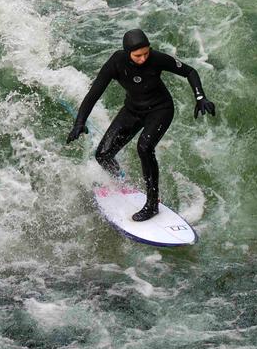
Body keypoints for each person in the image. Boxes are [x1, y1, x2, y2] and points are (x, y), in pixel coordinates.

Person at [64, 28, 216, 222]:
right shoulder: (116, 62)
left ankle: (152, 205)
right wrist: (79, 122)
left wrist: (200, 97)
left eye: (146, 53)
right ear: (128, 53)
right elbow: (94, 92)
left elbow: (189, 71)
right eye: (138, 55)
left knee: (144, 148)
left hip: (160, 110)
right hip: (133, 110)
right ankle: (120, 180)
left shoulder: (156, 58)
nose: (143, 59)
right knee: (102, 155)